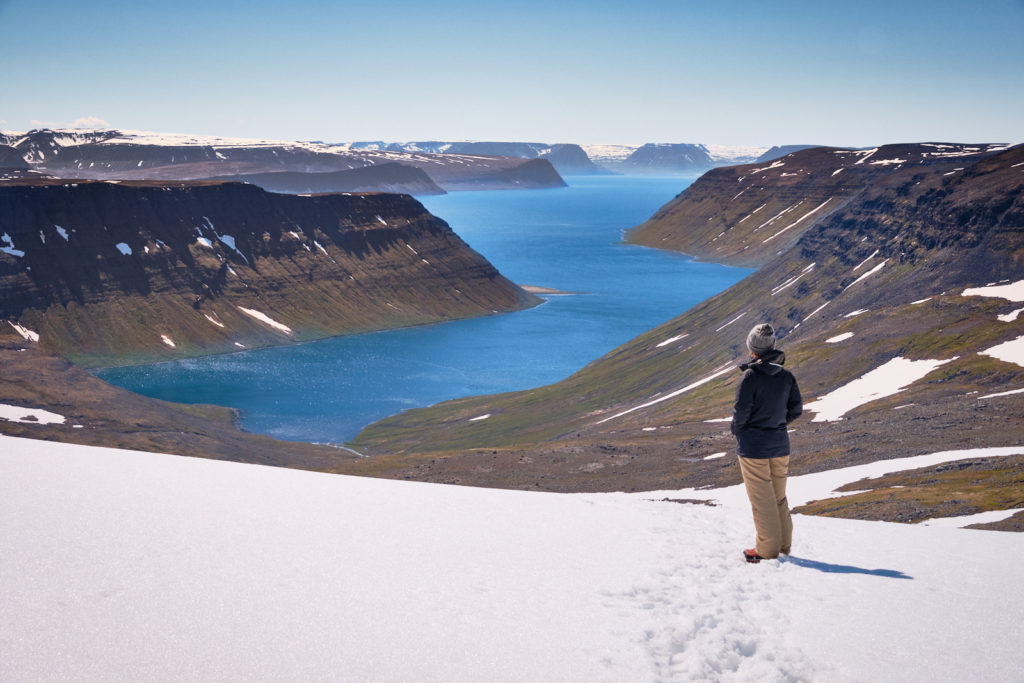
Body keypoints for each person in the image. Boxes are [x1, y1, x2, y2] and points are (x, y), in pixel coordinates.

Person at [731, 323, 802, 563]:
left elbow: (741, 412)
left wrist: (739, 431)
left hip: (754, 448)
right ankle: (783, 545)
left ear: (752, 348)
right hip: (780, 444)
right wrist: (778, 424)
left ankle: (767, 550)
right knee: (778, 497)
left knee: (762, 499)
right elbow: (796, 410)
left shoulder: (750, 376)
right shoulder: (786, 376)